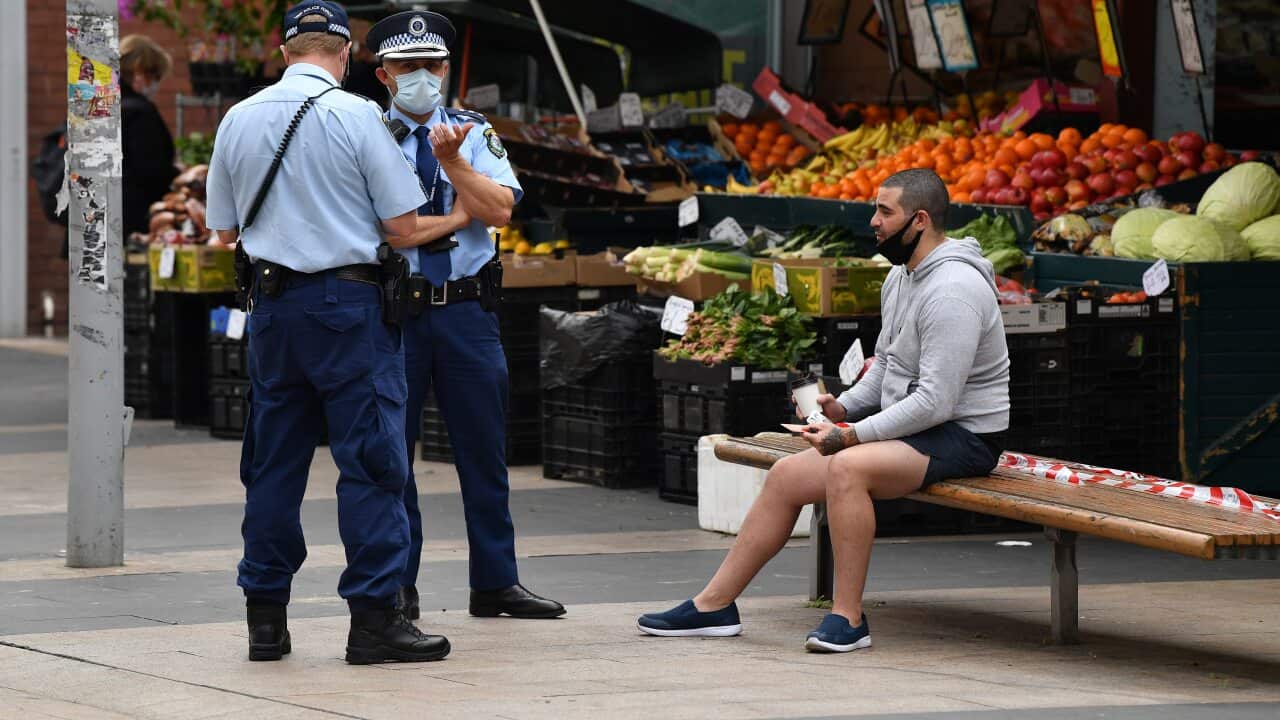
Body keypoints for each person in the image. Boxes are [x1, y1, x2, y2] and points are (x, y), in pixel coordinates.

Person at [637, 169, 1010, 652]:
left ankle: (848, 618)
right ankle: (714, 605)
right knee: (786, 476)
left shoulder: (953, 291)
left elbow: (936, 402)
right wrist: (843, 405)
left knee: (848, 468)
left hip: (964, 435)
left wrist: (851, 436)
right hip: (917, 424)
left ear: (919, 220)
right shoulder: (900, 277)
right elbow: (889, 364)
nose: (873, 221)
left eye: (885, 211)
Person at [205, 1, 450, 665]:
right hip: (349, 310)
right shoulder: (357, 114)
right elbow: (402, 226)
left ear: (285, 52)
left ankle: (265, 621)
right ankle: (373, 621)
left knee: (272, 466)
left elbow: (223, 230)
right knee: (371, 464)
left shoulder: (238, 118)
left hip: (273, 311)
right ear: (345, 55)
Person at [365, 10, 565, 621]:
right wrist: (457, 214)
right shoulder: (365, 132)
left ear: (448, 69)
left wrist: (454, 164)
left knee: (484, 453)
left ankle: (496, 582)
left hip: (467, 311)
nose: (422, 77)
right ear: (383, 74)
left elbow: (500, 209)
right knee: (391, 458)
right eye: (407, 66)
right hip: (396, 313)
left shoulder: (473, 131)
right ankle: (398, 584)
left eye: (432, 65)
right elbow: (383, 230)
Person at [119, 34, 179, 238]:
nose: (156, 84)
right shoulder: (139, 112)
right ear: (139, 72)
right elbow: (151, 169)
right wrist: (178, 177)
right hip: (129, 224)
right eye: (155, 75)